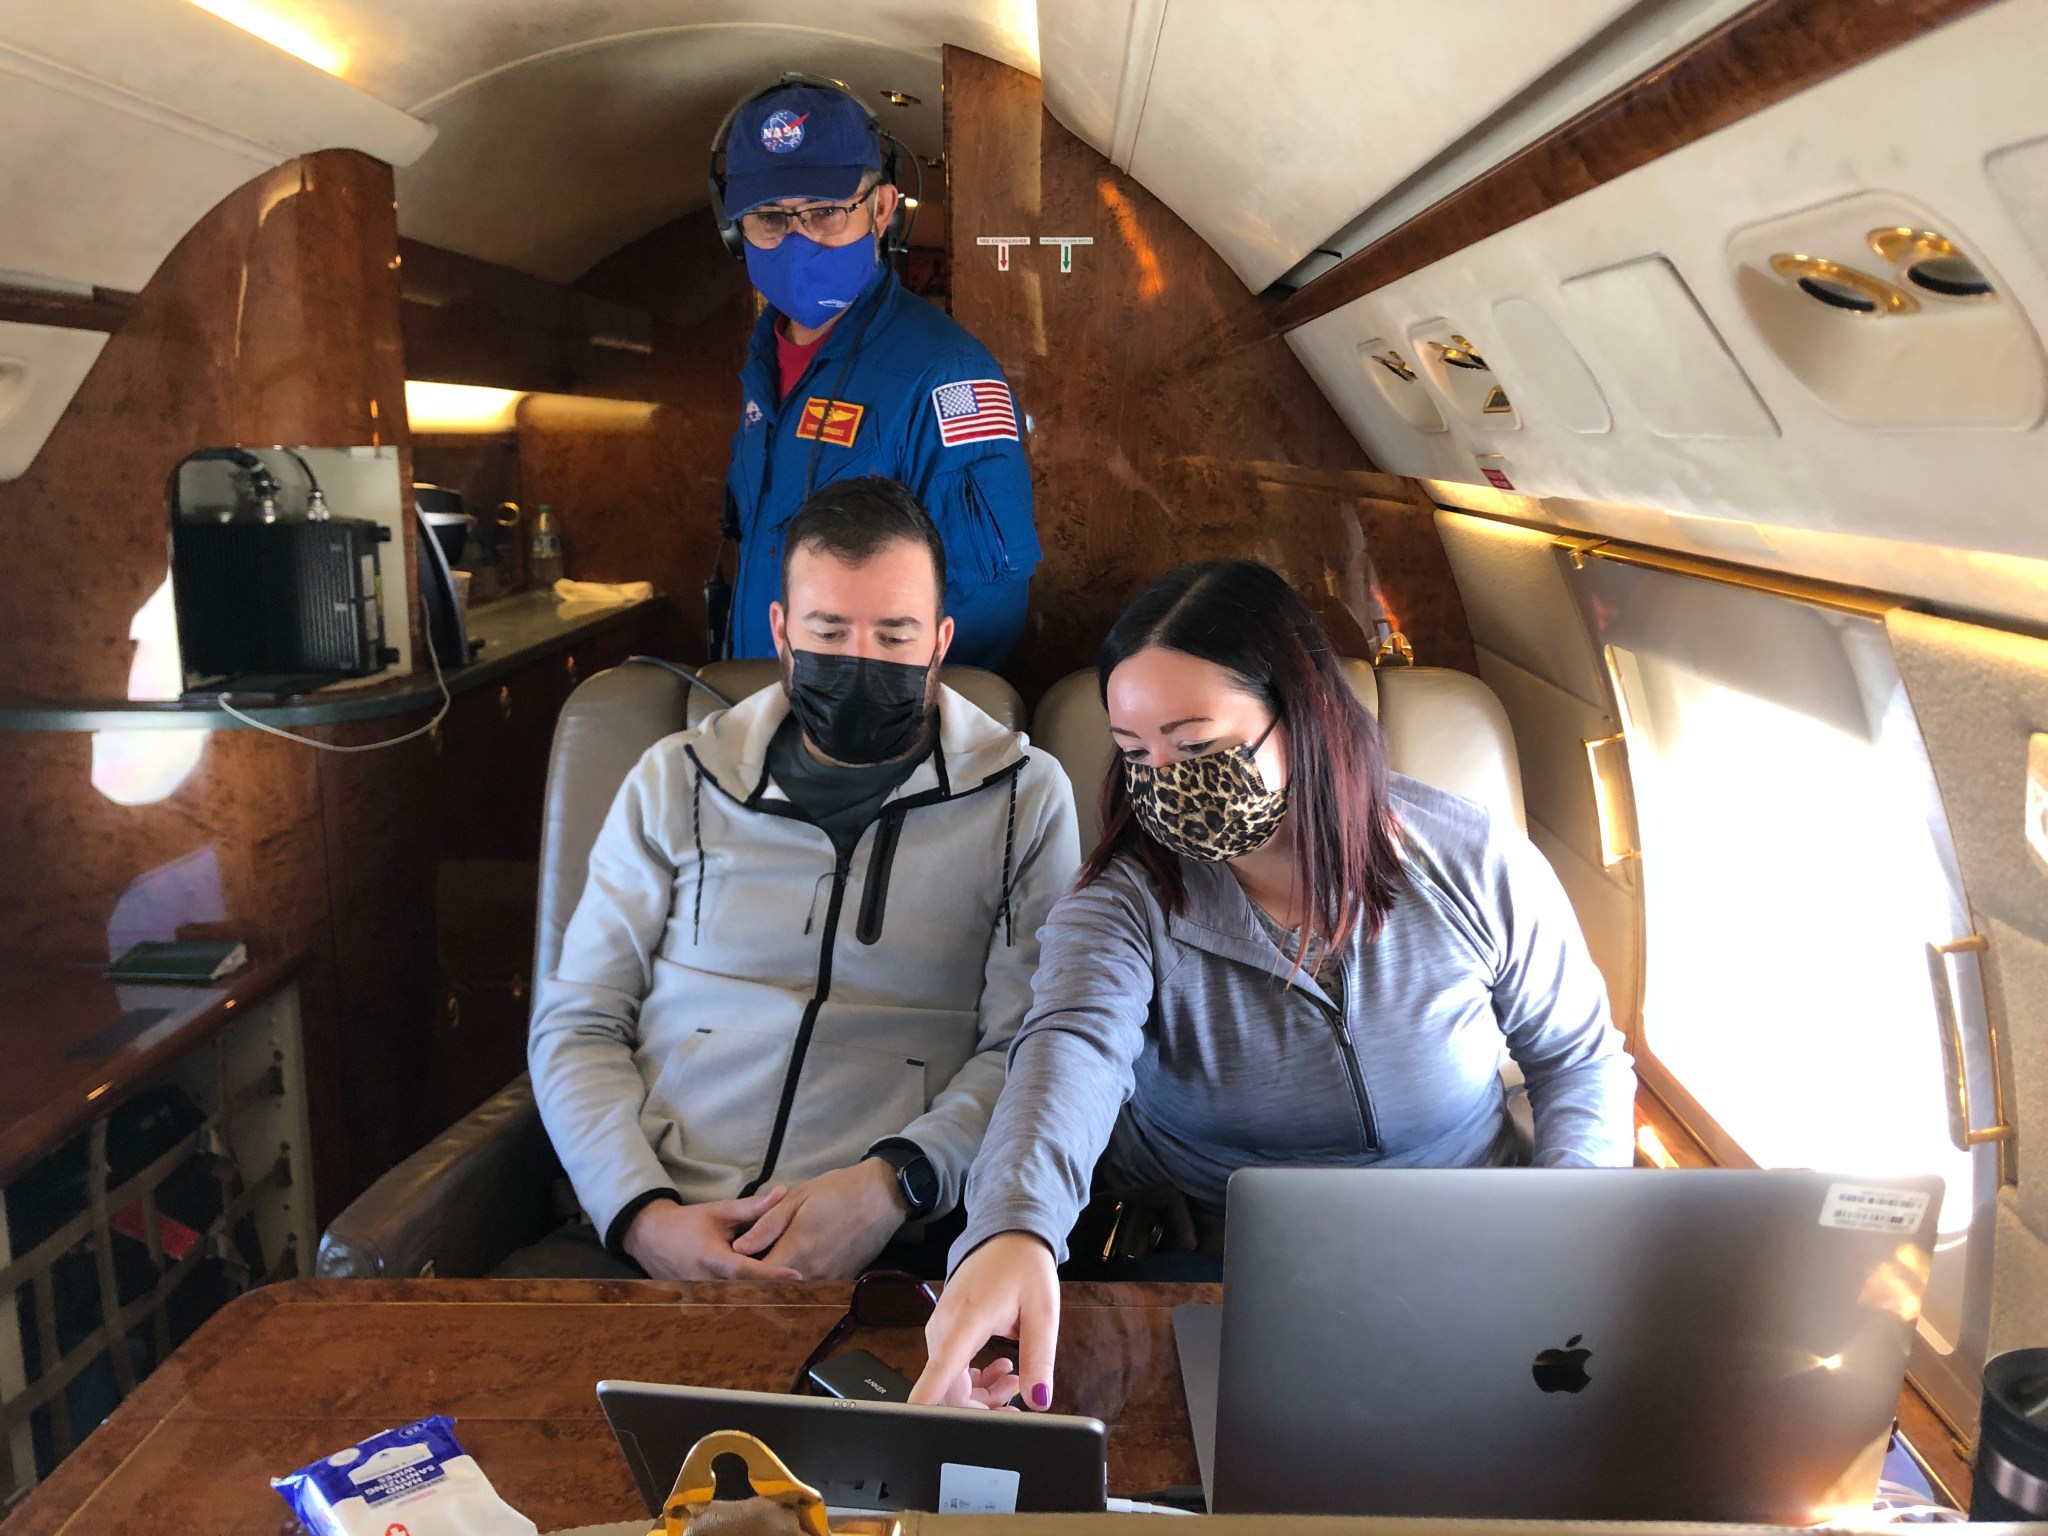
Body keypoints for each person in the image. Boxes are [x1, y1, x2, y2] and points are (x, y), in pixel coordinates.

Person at [909, 559, 1635, 1407]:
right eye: (1135, 752)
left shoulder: (1471, 861)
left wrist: (1572, 1218)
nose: (1166, 780)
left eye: (1197, 745)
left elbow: (1578, 1058)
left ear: (1303, 715)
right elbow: (1068, 1049)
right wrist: (1013, 1228)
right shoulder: (1126, 899)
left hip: (1469, 1241)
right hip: (1220, 1262)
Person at [519, 477, 1079, 1282]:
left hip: (889, 1244)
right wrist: (642, 1216)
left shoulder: (1026, 798)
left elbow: (1028, 1048)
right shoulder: (673, 779)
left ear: (940, 640)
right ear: (781, 632)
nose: (860, 661)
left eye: (894, 636)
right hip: (652, 1224)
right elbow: (579, 1021)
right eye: (829, 630)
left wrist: (898, 1184)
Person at [713, 78, 1040, 670]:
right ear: (734, 229)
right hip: (758, 709)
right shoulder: (761, 363)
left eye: (825, 212)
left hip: (872, 733)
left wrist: (887, 736)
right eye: (768, 218)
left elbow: (982, 612)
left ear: (882, 209)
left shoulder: (947, 374)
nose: (798, 240)